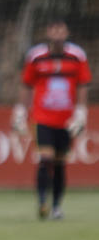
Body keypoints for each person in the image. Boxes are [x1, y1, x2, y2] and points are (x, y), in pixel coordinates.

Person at [12, 18, 91, 220]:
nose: (57, 34)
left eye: (60, 30)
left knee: (59, 164)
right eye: (53, 30)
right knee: (45, 159)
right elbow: (26, 84)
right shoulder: (36, 56)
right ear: (48, 32)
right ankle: (42, 203)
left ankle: (56, 206)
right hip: (42, 118)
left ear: (66, 33)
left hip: (66, 120)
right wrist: (21, 111)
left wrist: (81, 113)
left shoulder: (77, 56)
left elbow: (82, 84)